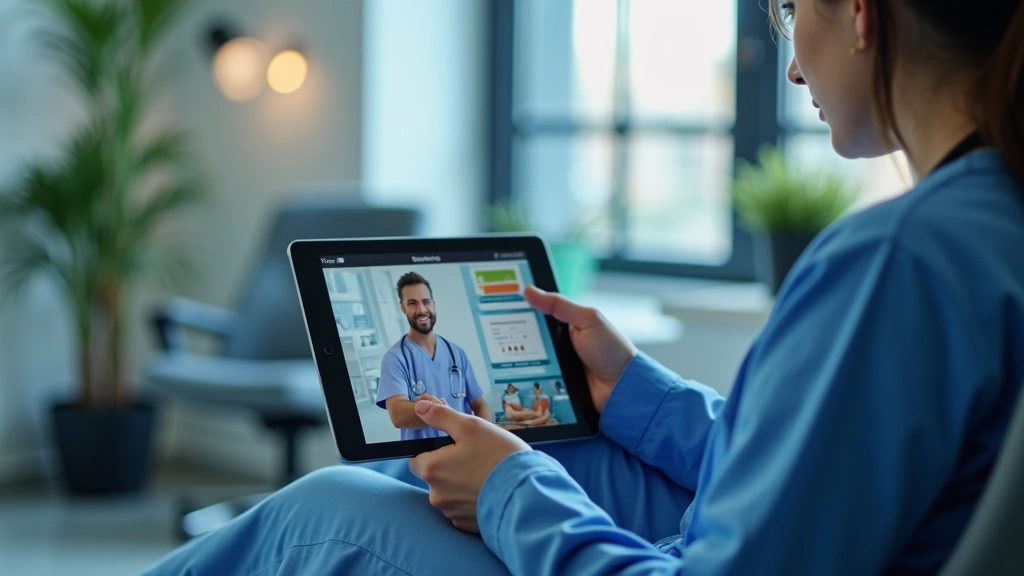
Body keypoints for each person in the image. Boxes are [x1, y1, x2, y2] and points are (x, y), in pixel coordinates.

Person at [144, 1, 1024, 574]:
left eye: (791, 12)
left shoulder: (897, 261)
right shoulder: (991, 224)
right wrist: (634, 390)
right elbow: (813, 465)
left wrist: (509, 488)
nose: (792, 67)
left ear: (862, 12)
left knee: (327, 511)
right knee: (528, 448)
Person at [375, 272, 494, 440]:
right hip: (424, 453)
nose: (421, 310)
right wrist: (434, 410)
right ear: (402, 308)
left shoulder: (456, 352)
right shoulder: (395, 358)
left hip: (464, 448)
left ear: (433, 304)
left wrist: (487, 438)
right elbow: (397, 415)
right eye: (412, 303)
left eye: (426, 302)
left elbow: (480, 405)